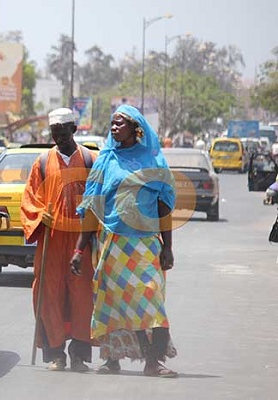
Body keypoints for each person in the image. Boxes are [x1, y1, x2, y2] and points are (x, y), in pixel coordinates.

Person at [71, 104, 178, 377]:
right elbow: (93, 207)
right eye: (112, 123)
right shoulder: (105, 160)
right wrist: (79, 249)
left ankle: (154, 361)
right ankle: (112, 358)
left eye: (120, 123)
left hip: (144, 245)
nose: (114, 128)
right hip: (112, 244)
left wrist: (168, 247)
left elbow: (164, 206)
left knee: (150, 298)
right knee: (111, 302)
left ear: (135, 128)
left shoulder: (153, 160)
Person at [20, 107, 97, 372]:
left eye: (63, 133)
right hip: (51, 240)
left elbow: (100, 199)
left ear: (74, 130)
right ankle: (56, 353)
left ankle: (78, 354)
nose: (58, 138)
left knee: (82, 296)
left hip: (80, 241)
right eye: (54, 133)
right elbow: (30, 198)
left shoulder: (90, 160)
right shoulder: (42, 162)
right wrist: (42, 216)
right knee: (49, 294)